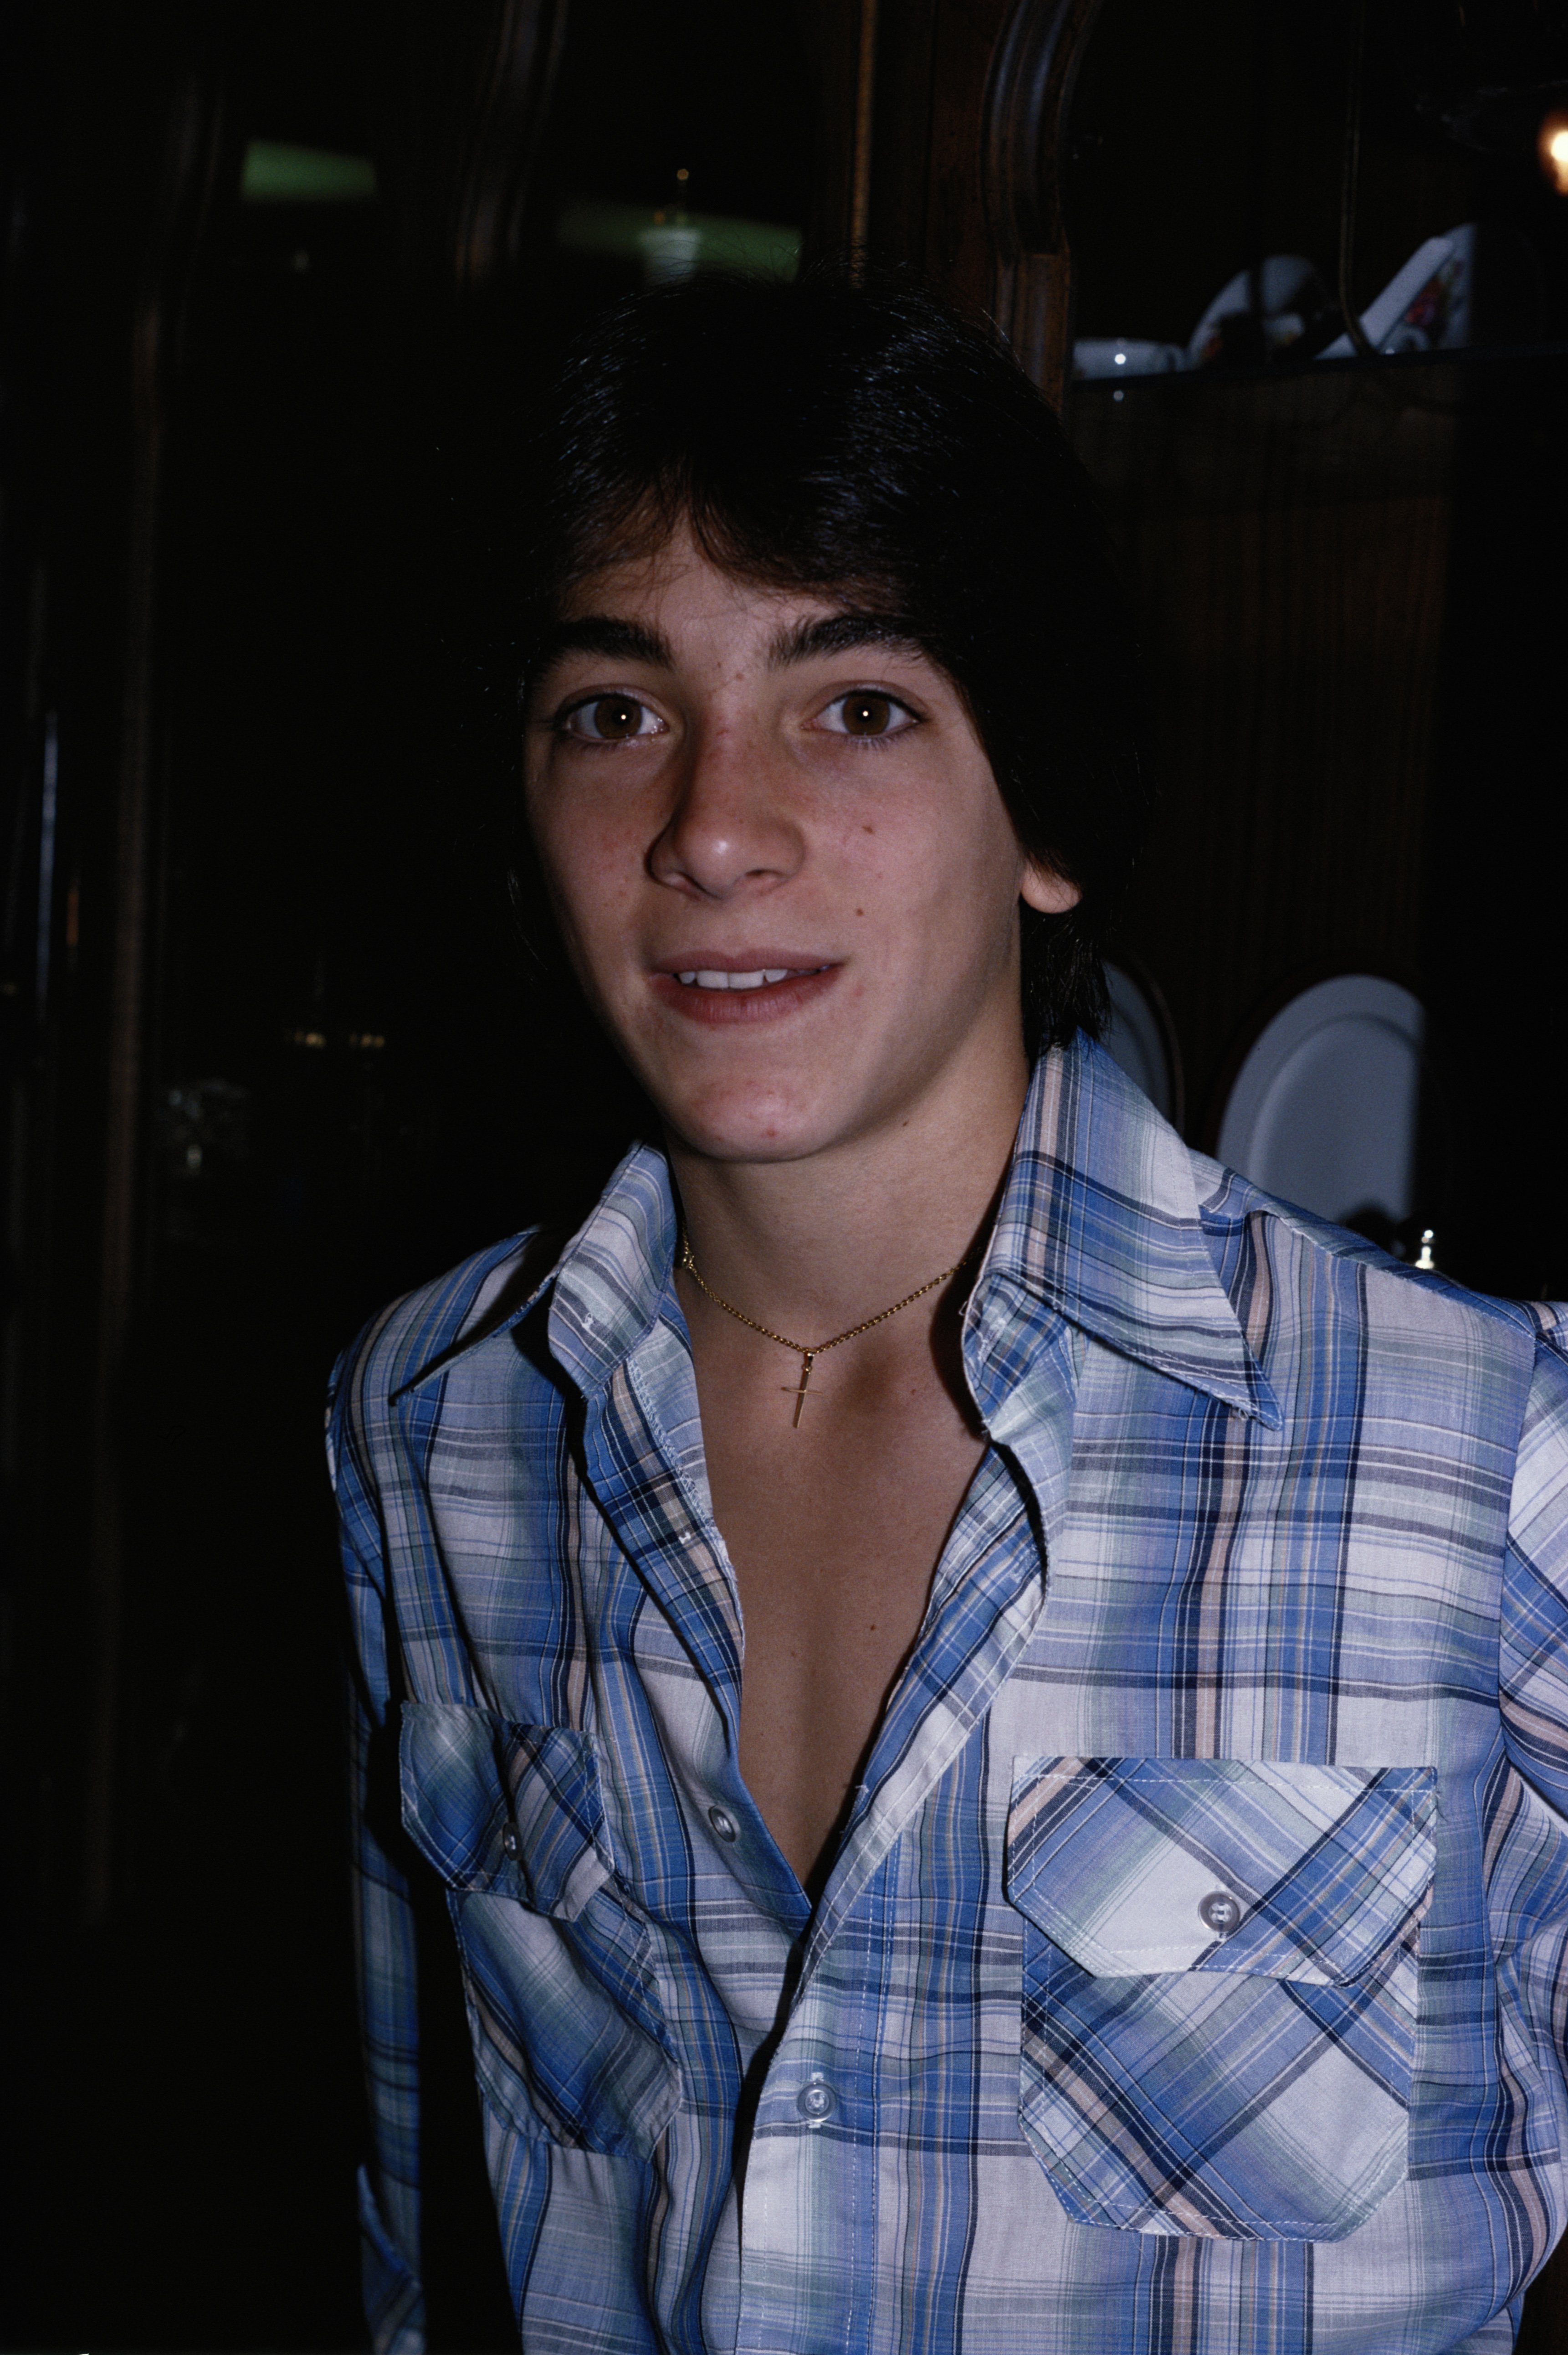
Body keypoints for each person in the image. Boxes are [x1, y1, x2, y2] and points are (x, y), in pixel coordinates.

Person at [328, 271, 1568, 2355]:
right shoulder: (432, 1422)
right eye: (616, 711)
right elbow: (417, 2184)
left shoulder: (1492, 1462)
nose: (715, 827)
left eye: (861, 703)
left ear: (1052, 819)